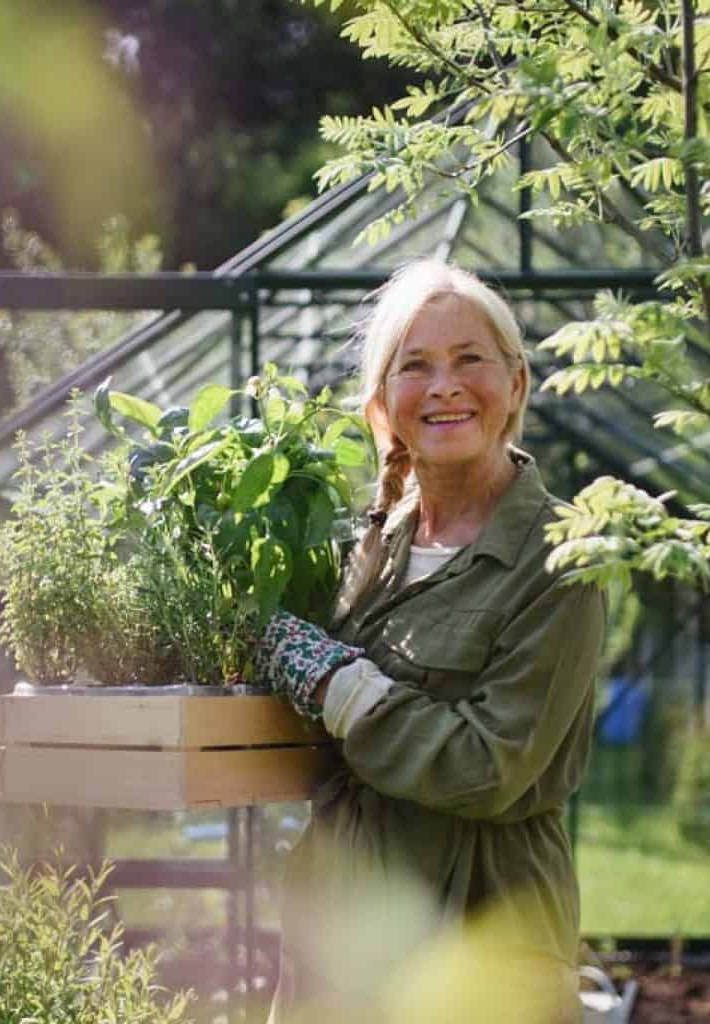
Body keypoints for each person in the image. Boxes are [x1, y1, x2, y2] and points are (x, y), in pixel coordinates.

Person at [256, 259, 606, 1023]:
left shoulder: (561, 559)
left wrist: (339, 687)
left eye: (468, 360)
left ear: (515, 384)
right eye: (415, 366)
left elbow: (490, 767)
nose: (444, 385)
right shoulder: (372, 545)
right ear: (384, 405)